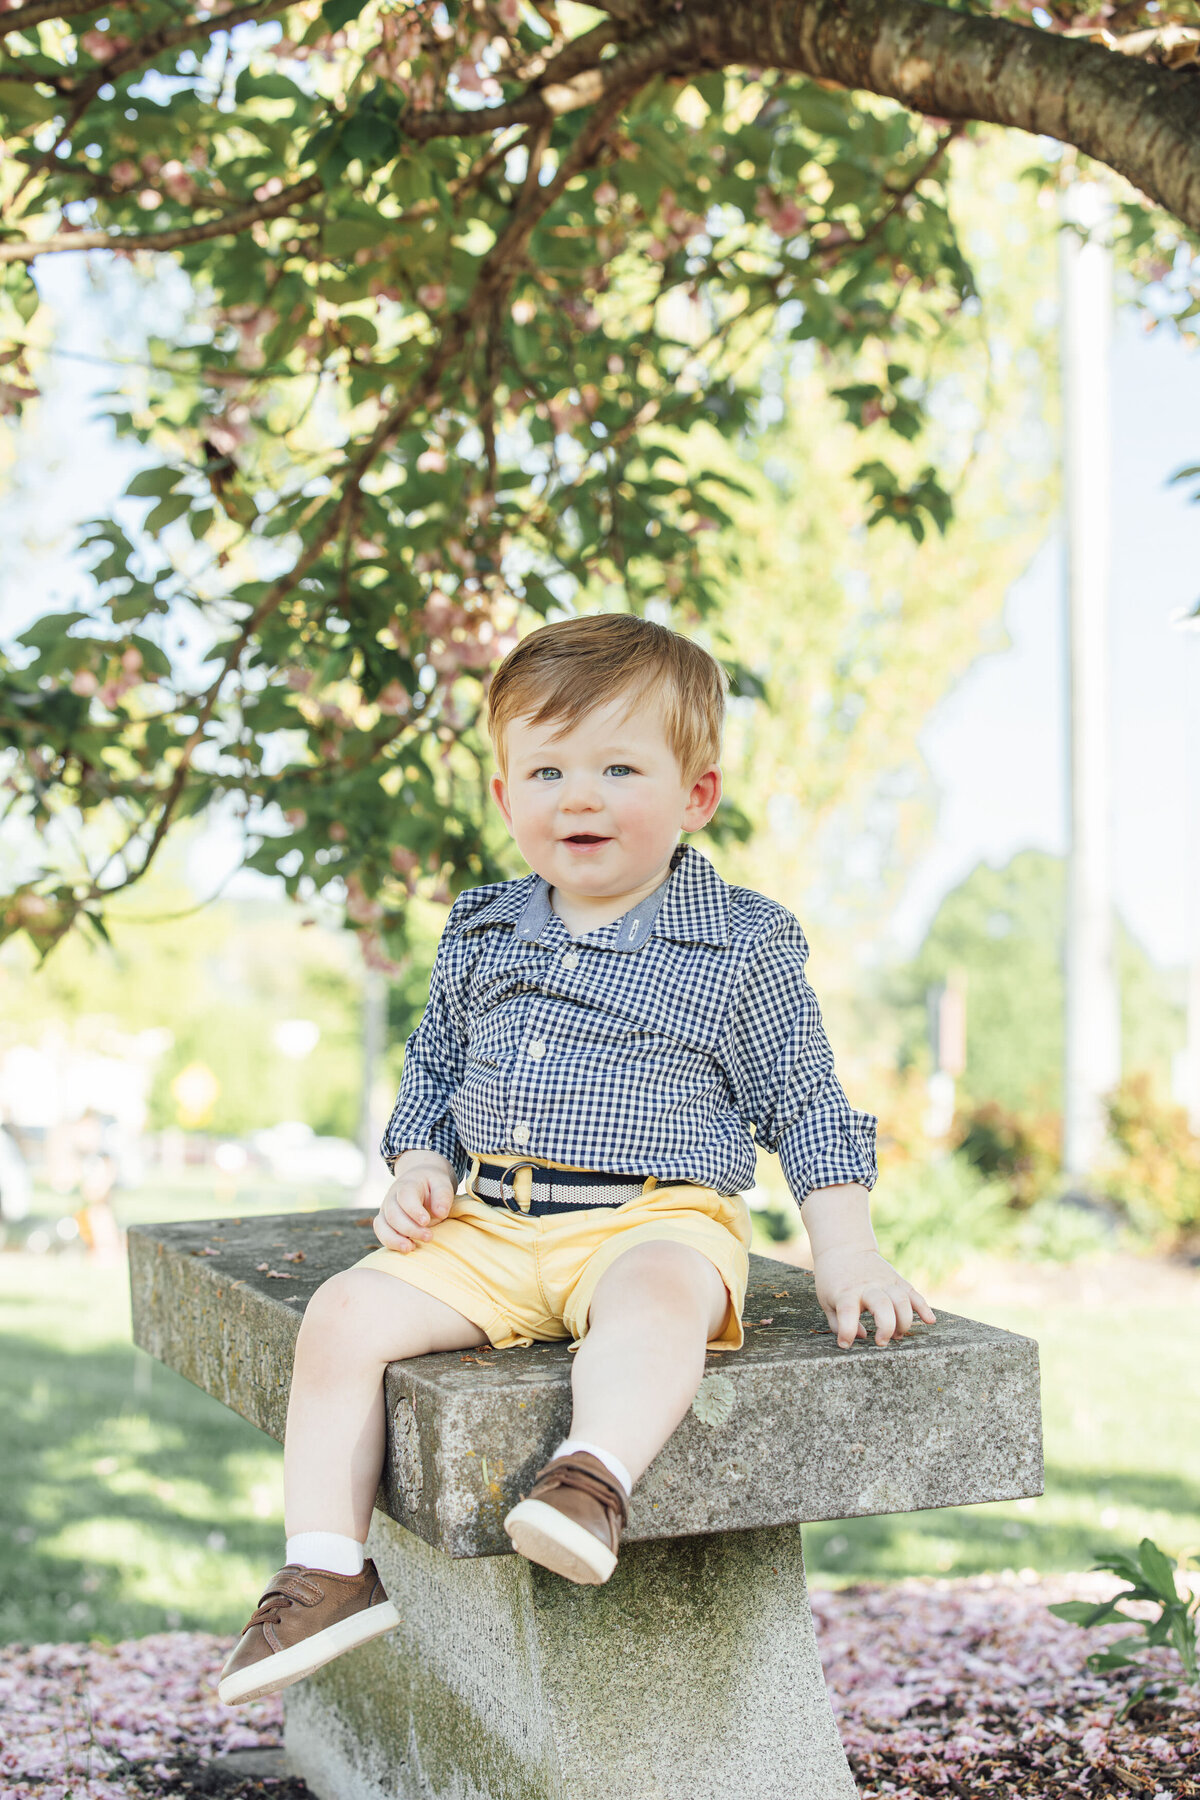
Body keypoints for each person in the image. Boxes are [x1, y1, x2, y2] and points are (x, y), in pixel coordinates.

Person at [218, 614, 936, 1706]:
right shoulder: (483, 929)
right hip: (491, 1223)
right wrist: (419, 1164)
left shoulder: (738, 942)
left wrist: (848, 1254)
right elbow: (436, 1069)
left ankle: (590, 1478)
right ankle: (325, 1569)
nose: (579, 798)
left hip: (653, 1218)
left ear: (697, 794)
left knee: (658, 1302)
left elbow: (804, 1102)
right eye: (547, 771)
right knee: (343, 1316)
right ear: (505, 796)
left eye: (618, 768)